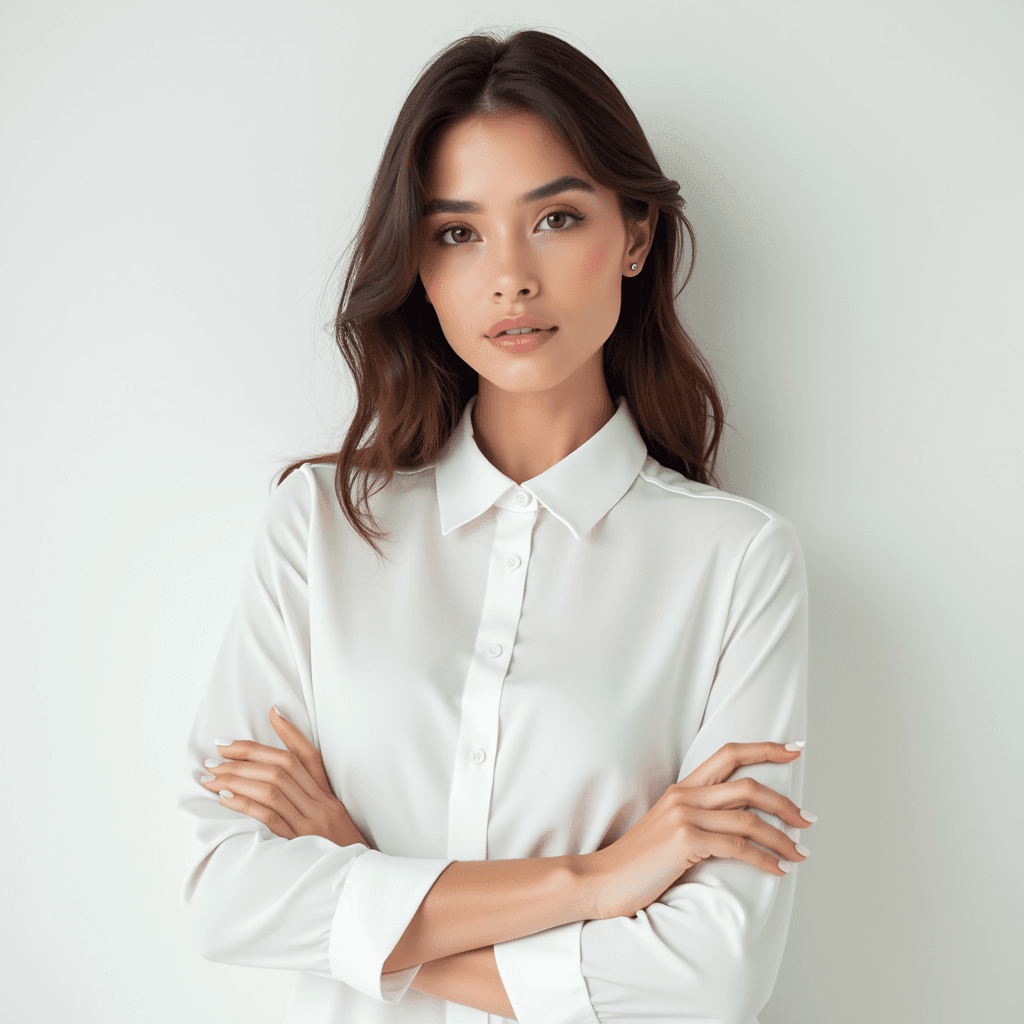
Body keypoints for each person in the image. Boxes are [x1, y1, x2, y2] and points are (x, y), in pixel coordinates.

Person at [176, 28, 812, 1024]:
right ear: (419, 266)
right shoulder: (320, 530)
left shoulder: (736, 562)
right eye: (457, 232)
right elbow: (224, 897)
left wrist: (358, 881)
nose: (509, 277)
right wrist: (598, 882)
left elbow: (711, 976)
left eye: (555, 218)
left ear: (635, 234)